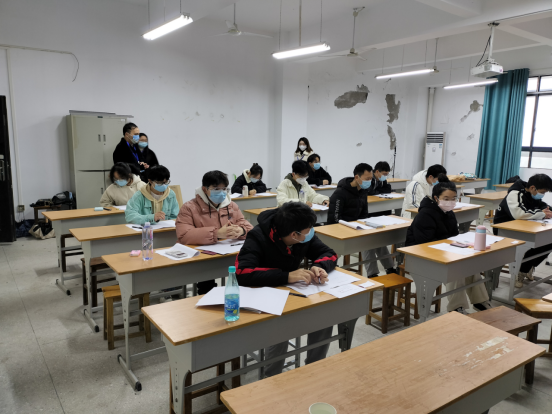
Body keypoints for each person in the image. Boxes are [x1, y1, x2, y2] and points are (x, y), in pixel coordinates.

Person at [235, 202, 340, 377]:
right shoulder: (258, 236)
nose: (311, 232)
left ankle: (313, 369)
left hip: (294, 292)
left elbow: (330, 253)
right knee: (281, 328)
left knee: (324, 315)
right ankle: (272, 377)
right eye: (308, 229)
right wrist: (286, 276)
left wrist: (319, 266)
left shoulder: (303, 235)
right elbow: (243, 272)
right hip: (264, 294)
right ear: (294, 234)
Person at [405, 181, 492, 314]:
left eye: (453, 199)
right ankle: (456, 308)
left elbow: (453, 236)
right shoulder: (425, 214)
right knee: (456, 270)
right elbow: (425, 244)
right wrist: (449, 247)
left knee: (471, 267)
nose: (450, 202)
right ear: (436, 198)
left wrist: (461, 244)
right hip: (421, 257)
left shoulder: (448, 212)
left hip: (443, 252)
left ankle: (480, 301)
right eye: (446, 199)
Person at [176, 170, 253, 295]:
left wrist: (241, 230)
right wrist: (216, 233)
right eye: (216, 189)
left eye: (224, 189)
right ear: (205, 189)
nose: (221, 193)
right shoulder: (189, 207)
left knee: (247, 270)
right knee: (207, 281)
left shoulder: (231, 205)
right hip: (202, 258)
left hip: (228, 253)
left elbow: (248, 227)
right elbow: (184, 235)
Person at [328, 163, 396, 277]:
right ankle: (373, 274)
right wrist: (353, 228)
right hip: (342, 229)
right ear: (357, 177)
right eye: (367, 179)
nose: (369, 181)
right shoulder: (340, 193)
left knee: (376, 237)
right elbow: (334, 219)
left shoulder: (363, 191)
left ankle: (390, 268)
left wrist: (365, 226)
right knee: (367, 241)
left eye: (371, 178)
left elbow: (364, 214)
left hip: (357, 227)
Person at [493, 174, 552, 287]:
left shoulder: (532, 194)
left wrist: (548, 211)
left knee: (549, 241)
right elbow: (518, 214)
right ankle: (522, 270)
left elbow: (542, 205)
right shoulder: (515, 193)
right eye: (542, 192)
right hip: (505, 229)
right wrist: (542, 214)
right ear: (533, 188)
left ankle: (527, 267)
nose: (543, 195)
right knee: (538, 242)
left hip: (524, 227)